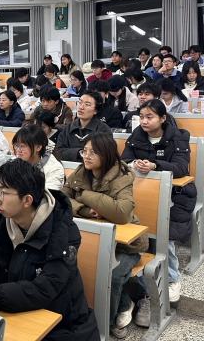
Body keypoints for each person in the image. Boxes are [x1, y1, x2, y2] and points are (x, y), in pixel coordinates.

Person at [0, 159, 100, 341]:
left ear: (27, 200)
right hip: (14, 313)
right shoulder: (4, 219)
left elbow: (46, 287)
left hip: (62, 327)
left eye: (3, 193)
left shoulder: (63, 231)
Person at [62, 133, 148, 339]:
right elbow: (62, 199)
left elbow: (121, 213)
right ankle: (124, 304)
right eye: (84, 151)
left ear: (106, 154)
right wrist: (84, 210)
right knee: (75, 267)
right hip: (93, 239)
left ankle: (105, 324)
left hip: (126, 245)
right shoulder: (82, 171)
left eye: (93, 153)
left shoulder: (122, 175)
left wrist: (84, 195)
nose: (86, 156)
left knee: (113, 275)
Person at [121, 99, 194, 309]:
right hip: (141, 192)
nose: (144, 121)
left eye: (149, 117)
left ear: (163, 118)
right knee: (138, 231)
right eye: (142, 117)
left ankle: (172, 278)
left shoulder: (178, 137)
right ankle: (143, 283)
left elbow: (181, 168)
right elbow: (123, 161)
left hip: (175, 194)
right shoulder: (136, 136)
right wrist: (133, 163)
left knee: (164, 234)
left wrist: (155, 165)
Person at [3, 125, 64, 193]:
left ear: (38, 147)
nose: (18, 150)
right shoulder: (13, 161)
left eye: (22, 146)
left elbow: (48, 194)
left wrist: (12, 194)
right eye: (16, 145)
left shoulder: (54, 168)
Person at [56, 92, 112, 161]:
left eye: (87, 104)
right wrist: (78, 153)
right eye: (80, 103)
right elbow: (58, 152)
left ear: (96, 110)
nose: (81, 107)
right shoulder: (68, 128)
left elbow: (104, 154)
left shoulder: (103, 130)